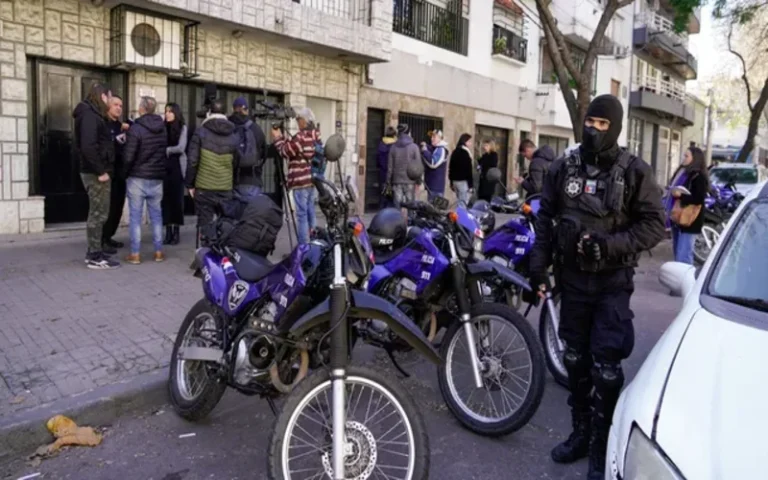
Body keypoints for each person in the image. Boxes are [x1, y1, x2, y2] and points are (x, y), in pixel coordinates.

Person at [528, 94, 665, 480]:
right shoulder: (562, 168)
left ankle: (602, 446)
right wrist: (538, 267)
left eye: (603, 125)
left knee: (606, 369)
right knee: (574, 359)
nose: (594, 130)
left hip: (611, 283)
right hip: (571, 282)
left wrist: (609, 245)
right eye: (590, 122)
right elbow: (546, 217)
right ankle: (581, 432)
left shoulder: (635, 171)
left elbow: (655, 225)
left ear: (615, 127)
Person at [74, 82, 120, 269]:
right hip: (95, 174)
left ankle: (95, 251)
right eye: (109, 98)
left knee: (99, 213)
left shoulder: (92, 114)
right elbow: (88, 146)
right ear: (102, 97)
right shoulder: (90, 116)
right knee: (98, 214)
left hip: (96, 171)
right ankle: (94, 256)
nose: (110, 102)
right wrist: (101, 171)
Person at [122, 96, 168, 264]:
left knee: (135, 217)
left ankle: (135, 254)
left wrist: (124, 173)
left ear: (142, 108)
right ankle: (158, 252)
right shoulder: (162, 128)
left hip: (137, 178)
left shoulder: (136, 128)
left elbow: (128, 156)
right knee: (157, 216)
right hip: (156, 178)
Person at [186, 99, 240, 234]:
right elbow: (236, 163)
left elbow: (192, 161)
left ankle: (206, 253)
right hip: (225, 187)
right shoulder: (233, 135)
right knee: (225, 228)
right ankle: (222, 254)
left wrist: (190, 184)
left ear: (209, 113)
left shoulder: (201, 132)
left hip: (204, 188)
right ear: (225, 114)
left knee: (205, 227)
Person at [271, 107, 321, 245]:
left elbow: (285, 151)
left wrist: (277, 138)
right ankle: (314, 243)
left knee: (302, 215)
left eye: (299, 120)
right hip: (312, 180)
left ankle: (303, 248)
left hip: (300, 182)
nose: (298, 123)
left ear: (304, 121)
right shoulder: (315, 135)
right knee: (311, 212)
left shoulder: (301, 137)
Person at [666, 146, 708, 264]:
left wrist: (680, 195)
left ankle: (687, 281)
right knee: (678, 253)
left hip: (690, 219)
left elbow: (698, 198)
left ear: (695, 159)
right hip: (677, 216)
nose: (683, 158)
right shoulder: (683, 172)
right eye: (684, 155)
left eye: (686, 156)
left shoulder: (698, 176)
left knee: (683, 255)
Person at [101, 95, 131, 254]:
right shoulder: (103, 125)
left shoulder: (121, 126)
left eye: (121, 105)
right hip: (108, 173)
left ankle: (109, 236)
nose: (119, 108)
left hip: (121, 174)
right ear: (108, 107)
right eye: (115, 105)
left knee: (117, 208)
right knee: (107, 208)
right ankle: (101, 240)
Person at [229, 96, 267, 200]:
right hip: (252, 179)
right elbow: (264, 153)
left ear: (233, 109)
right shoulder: (255, 128)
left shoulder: (226, 126)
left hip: (228, 181)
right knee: (251, 214)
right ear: (246, 110)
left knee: (231, 214)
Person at [162, 103, 187, 245]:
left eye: (170, 112)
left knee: (177, 201)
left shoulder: (182, 127)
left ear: (176, 113)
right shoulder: (162, 127)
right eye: (166, 111)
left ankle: (176, 232)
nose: (167, 114)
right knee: (165, 201)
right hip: (164, 168)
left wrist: (167, 150)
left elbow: (181, 147)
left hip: (177, 166)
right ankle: (168, 232)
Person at [387, 124, 420, 211]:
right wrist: (418, 181)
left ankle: (398, 223)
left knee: (397, 206)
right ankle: (411, 223)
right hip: (410, 180)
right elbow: (418, 166)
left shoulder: (393, 147)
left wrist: (388, 181)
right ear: (408, 133)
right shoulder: (414, 147)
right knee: (411, 207)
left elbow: (390, 167)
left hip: (396, 180)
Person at [421, 130, 449, 200]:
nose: (432, 138)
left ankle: (461, 211)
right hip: (432, 186)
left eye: (434, 137)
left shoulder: (441, 150)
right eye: (431, 137)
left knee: (434, 209)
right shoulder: (436, 149)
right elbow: (431, 150)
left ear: (440, 138)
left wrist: (424, 151)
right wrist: (425, 146)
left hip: (436, 187)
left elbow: (433, 163)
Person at [448, 133, 474, 205]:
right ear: (465, 141)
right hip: (463, 182)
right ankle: (461, 216)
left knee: (459, 202)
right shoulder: (465, 153)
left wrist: (451, 181)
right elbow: (468, 170)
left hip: (455, 181)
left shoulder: (455, 151)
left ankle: (459, 215)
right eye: (469, 141)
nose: (471, 143)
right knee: (463, 203)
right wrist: (471, 185)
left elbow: (451, 167)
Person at [377, 126, 397, 208]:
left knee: (383, 193)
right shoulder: (395, 146)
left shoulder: (381, 144)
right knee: (392, 196)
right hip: (392, 174)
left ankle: (381, 211)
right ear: (394, 135)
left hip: (382, 173)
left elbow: (377, 159)